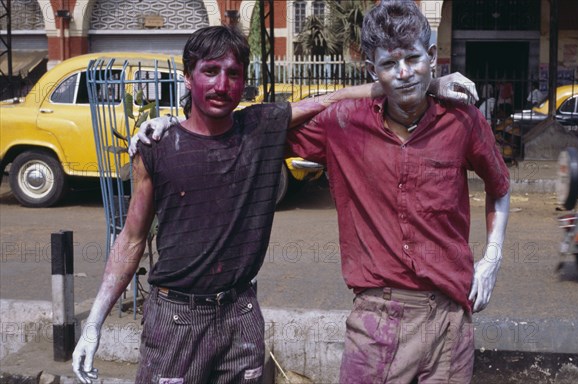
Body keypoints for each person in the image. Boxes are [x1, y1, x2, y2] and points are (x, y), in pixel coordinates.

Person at [72, 24, 478, 384]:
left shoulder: (260, 127)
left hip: (240, 315)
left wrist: (423, 86)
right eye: (209, 72)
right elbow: (131, 240)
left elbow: (328, 99)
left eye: (233, 74)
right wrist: (93, 323)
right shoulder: (157, 148)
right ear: (187, 78)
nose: (221, 85)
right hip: (175, 319)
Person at [287, 1, 510, 382]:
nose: (404, 73)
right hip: (376, 321)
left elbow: (499, 187)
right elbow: (264, 126)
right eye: (389, 65)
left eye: (413, 58)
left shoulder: (463, 121)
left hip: (450, 319)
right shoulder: (343, 123)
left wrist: (492, 258)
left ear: (434, 56)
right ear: (372, 71)